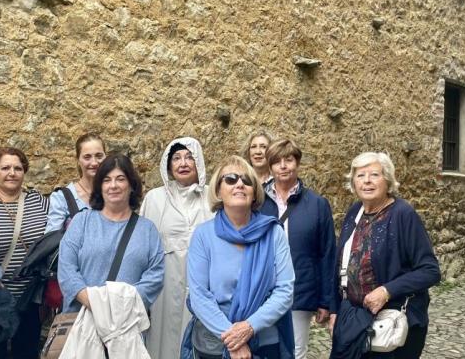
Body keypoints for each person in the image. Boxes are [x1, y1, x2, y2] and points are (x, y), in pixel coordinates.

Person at [329, 152, 441, 359]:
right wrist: (335, 310)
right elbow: (341, 266)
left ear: (387, 180)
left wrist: (387, 291)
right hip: (353, 318)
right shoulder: (355, 212)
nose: (367, 181)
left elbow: (430, 271)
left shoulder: (403, 214)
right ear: (353, 183)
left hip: (391, 322)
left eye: (374, 175)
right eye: (360, 175)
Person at [184, 155, 295, 359]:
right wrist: (233, 340)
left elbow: (285, 290)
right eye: (231, 179)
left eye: (247, 180)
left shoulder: (273, 233)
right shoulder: (203, 235)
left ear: (254, 192)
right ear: (218, 191)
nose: (240, 184)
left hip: (265, 341)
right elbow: (199, 295)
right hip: (216, 342)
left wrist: (249, 327)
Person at [58, 153, 165, 314]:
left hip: (127, 320)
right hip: (83, 318)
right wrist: (93, 302)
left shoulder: (147, 230)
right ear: (100, 186)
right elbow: (66, 268)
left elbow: (155, 276)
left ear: (131, 185)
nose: (113, 185)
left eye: (120, 179)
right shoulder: (82, 221)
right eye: (107, 180)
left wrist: (120, 306)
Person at [259, 138, 336, 359]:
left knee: (295, 352)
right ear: (270, 166)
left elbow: (327, 254)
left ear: (298, 163)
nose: (283, 166)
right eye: (277, 162)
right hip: (263, 291)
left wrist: (326, 301)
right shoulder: (257, 201)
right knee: (263, 350)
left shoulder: (317, 204)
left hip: (299, 292)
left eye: (289, 160)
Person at [140, 137, 214, 359]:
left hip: (202, 282)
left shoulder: (212, 197)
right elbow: (143, 244)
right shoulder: (155, 198)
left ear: (198, 162)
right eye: (176, 158)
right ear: (168, 164)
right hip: (164, 284)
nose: (183, 163)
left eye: (189, 157)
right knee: (162, 338)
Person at [0, 147, 48, 359]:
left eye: (18, 168)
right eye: (5, 168)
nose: (12, 173)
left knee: (26, 352)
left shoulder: (39, 202)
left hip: (30, 296)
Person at [45, 133, 106, 233]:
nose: (94, 162)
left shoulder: (114, 192)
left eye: (99, 156)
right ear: (78, 160)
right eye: (87, 157)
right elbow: (52, 237)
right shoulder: (62, 198)